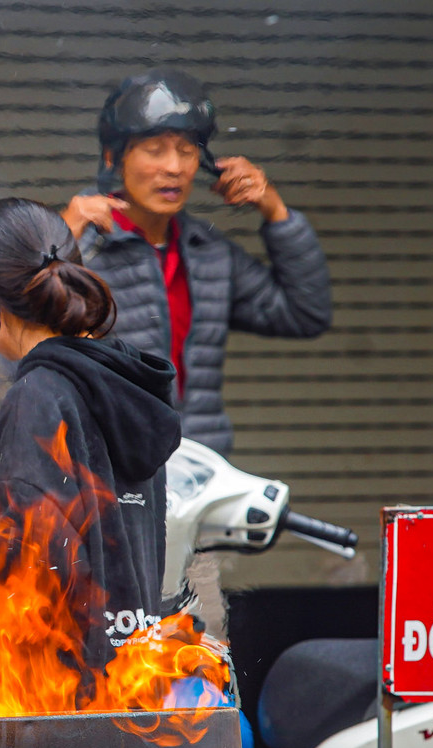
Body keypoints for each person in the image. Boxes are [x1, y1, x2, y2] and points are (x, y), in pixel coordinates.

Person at [0, 197, 183, 687]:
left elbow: (19, 561)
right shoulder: (120, 387)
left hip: (56, 707)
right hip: (130, 687)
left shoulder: (37, 397)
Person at [60, 67, 332, 456]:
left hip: (201, 473)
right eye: (154, 149)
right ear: (113, 158)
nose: (173, 167)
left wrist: (274, 209)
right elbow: (20, 348)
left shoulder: (209, 252)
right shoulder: (82, 247)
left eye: (186, 150)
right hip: (112, 473)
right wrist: (56, 245)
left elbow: (305, 313)